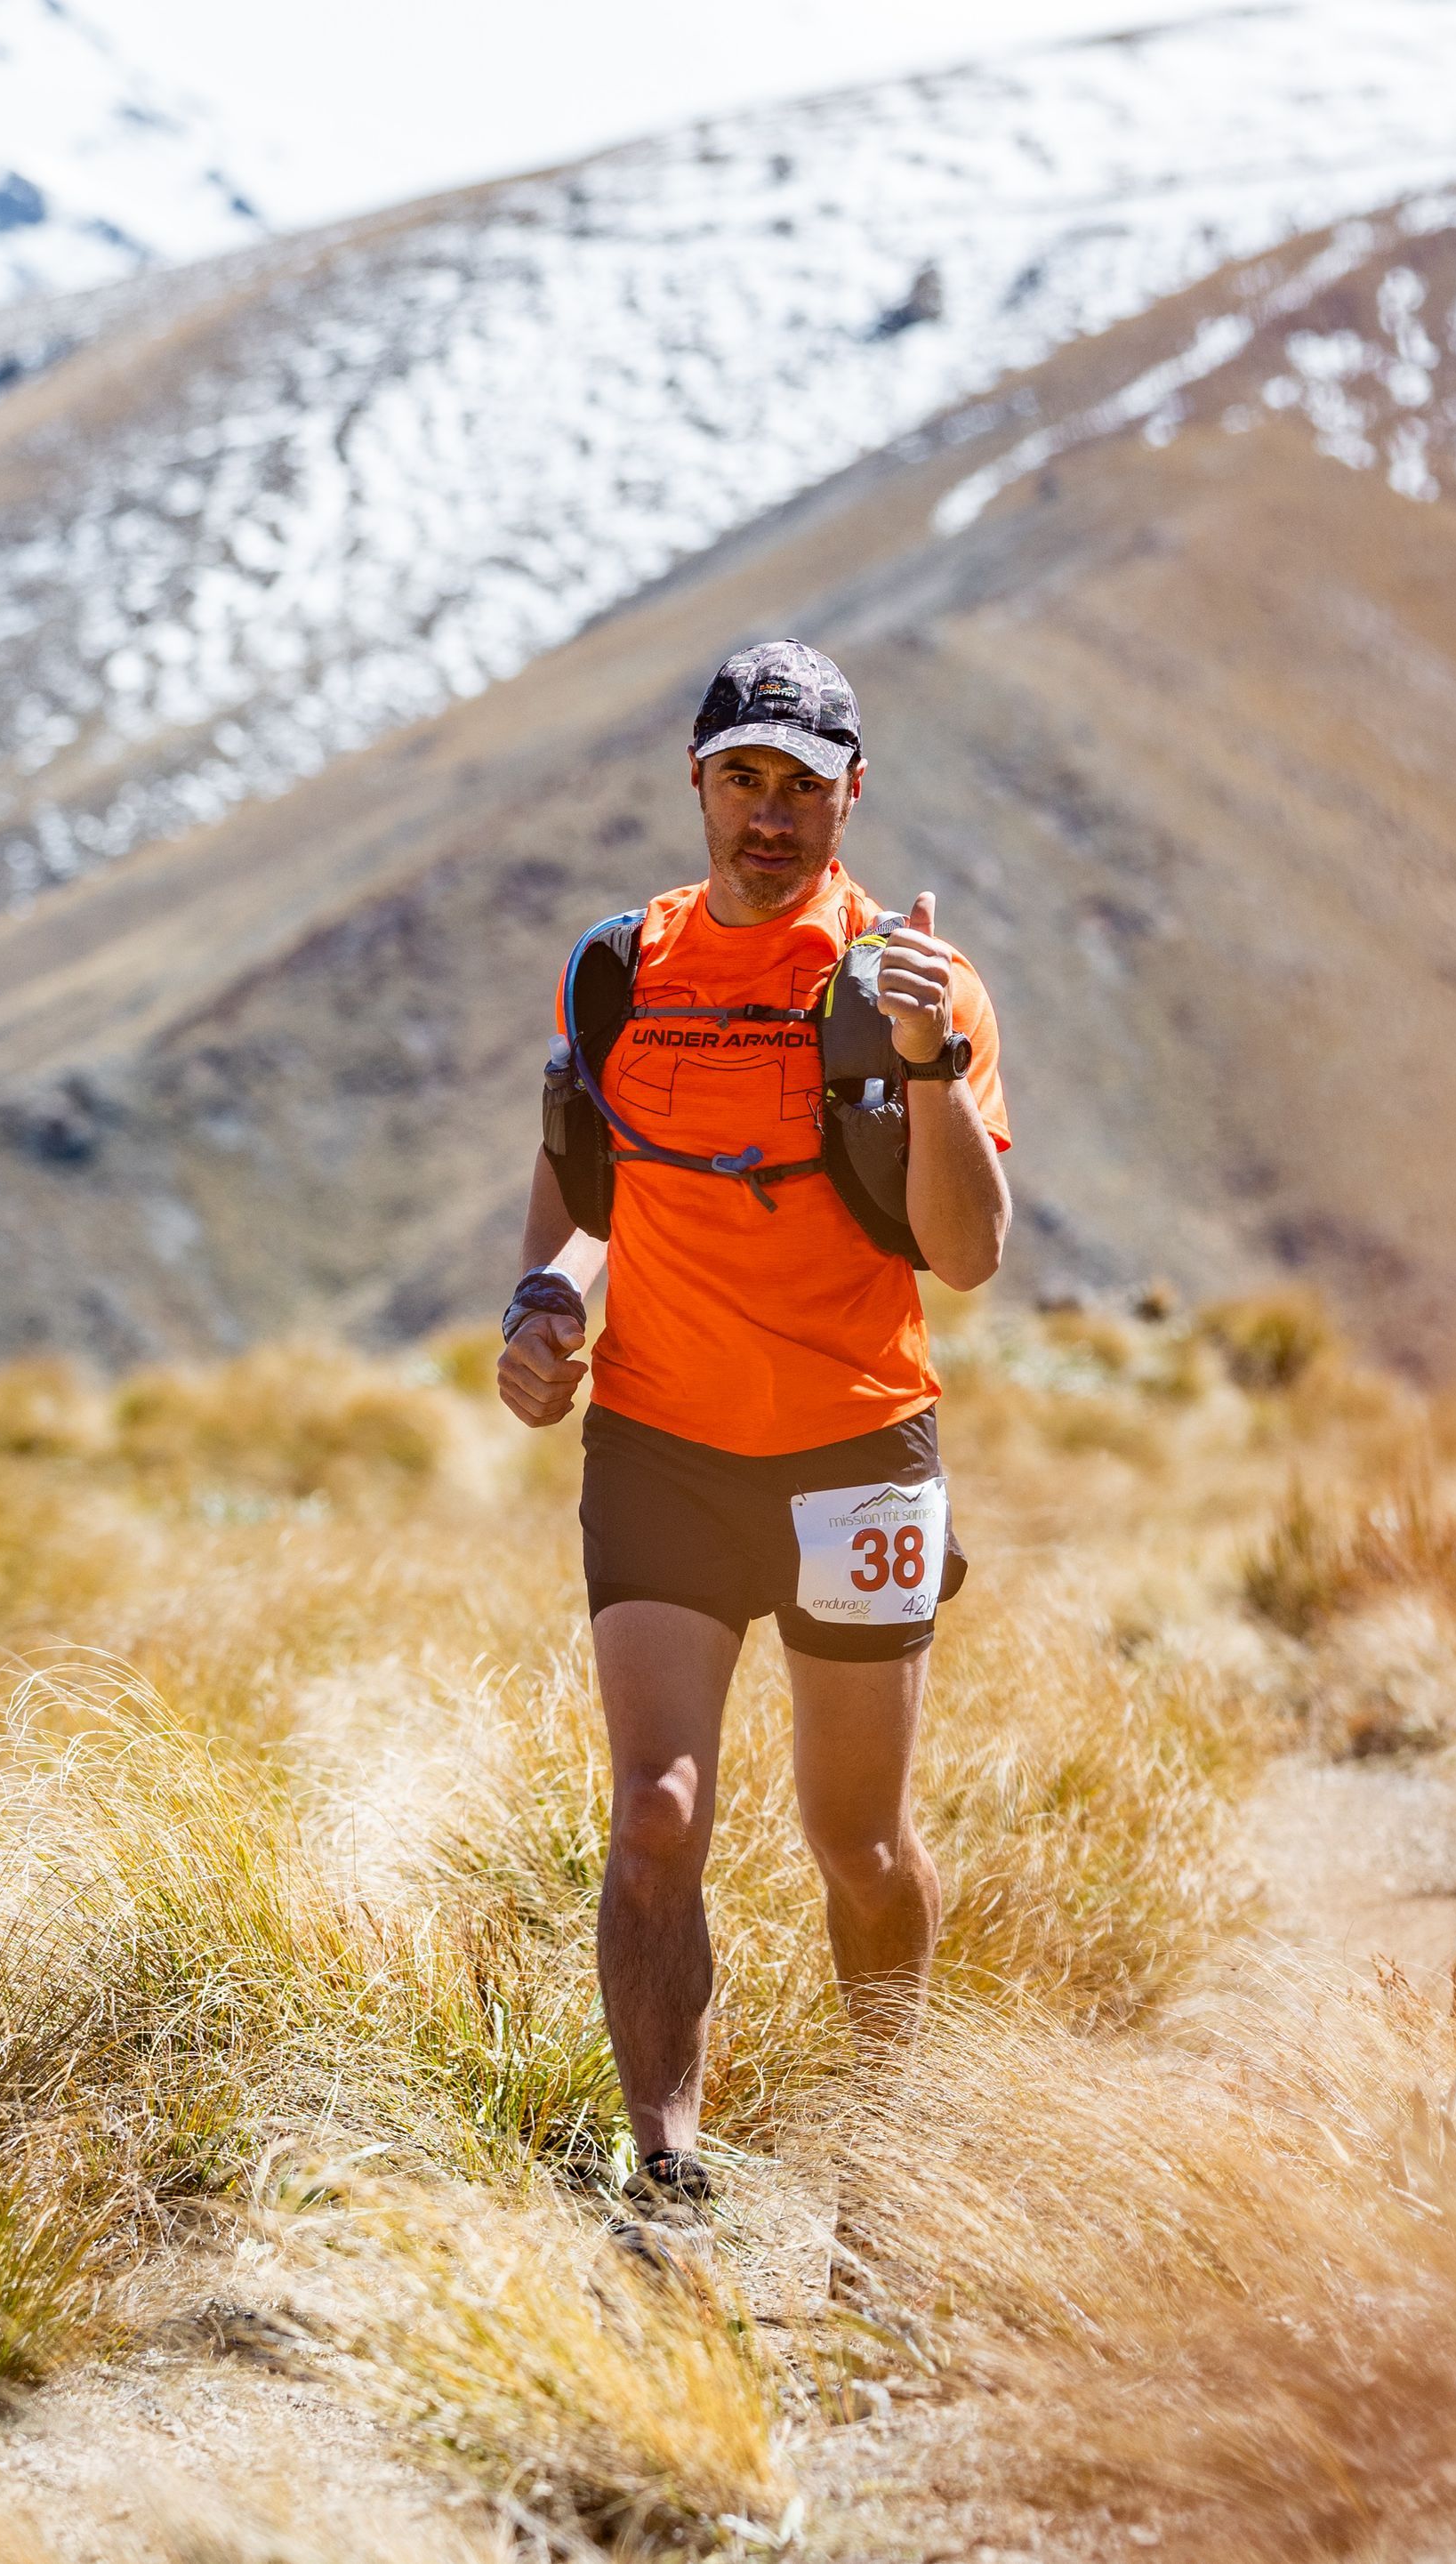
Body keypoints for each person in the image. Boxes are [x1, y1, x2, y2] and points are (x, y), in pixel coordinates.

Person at [496, 639, 1010, 2237]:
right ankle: (668, 2175)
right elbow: (586, 1209)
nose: (769, 815)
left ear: (853, 792)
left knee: (854, 1837)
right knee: (654, 1811)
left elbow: (969, 1249)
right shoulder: (618, 971)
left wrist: (924, 1064)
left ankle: (887, 2143)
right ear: (698, 784)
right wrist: (544, 1319)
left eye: (802, 783)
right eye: (743, 779)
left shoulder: (912, 978)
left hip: (860, 1448)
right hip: (662, 1448)